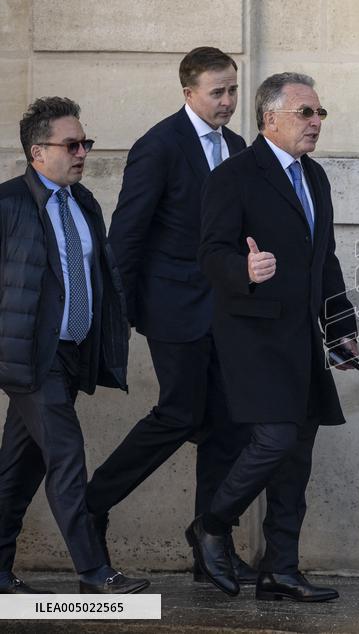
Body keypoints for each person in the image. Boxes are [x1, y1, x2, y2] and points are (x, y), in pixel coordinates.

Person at [86, 46, 256, 585]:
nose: (228, 101)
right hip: (172, 309)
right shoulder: (158, 147)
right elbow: (126, 236)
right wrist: (127, 312)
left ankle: (209, 540)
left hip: (227, 311)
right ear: (189, 93)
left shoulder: (237, 146)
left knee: (228, 424)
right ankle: (92, 504)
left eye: (232, 89)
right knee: (180, 414)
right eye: (217, 92)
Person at [191, 72, 358, 602]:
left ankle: (280, 568)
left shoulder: (317, 178)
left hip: (301, 335)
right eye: (305, 113)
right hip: (252, 335)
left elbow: (322, 259)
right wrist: (244, 268)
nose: (316, 123)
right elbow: (211, 253)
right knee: (275, 439)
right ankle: (212, 525)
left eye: (319, 113)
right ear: (270, 119)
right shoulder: (234, 176)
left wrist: (341, 327)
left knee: (297, 454)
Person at [0, 97, 149, 594]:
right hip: (28, 356)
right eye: (72, 144)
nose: (83, 151)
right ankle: (94, 571)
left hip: (70, 353)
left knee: (21, 469)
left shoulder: (83, 202)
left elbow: (97, 276)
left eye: (86, 142)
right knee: (66, 455)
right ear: (37, 152)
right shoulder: (7, 204)